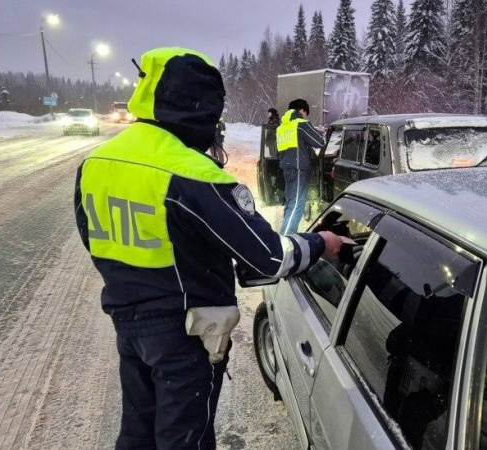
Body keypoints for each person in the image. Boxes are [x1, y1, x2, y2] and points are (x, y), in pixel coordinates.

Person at [73, 47, 343, 450]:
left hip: (127, 323)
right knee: (186, 440)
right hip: (185, 333)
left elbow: (93, 237)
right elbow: (267, 257)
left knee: (138, 433)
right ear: (200, 110)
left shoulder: (97, 162)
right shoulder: (193, 173)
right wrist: (323, 242)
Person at [276, 99, 326, 234]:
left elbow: (278, 152)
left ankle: (285, 233)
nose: (306, 116)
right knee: (297, 204)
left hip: (287, 169)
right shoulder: (301, 124)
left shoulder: (282, 128)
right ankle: (286, 238)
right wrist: (322, 133)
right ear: (302, 110)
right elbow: (319, 142)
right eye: (306, 113)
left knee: (290, 203)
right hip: (298, 170)